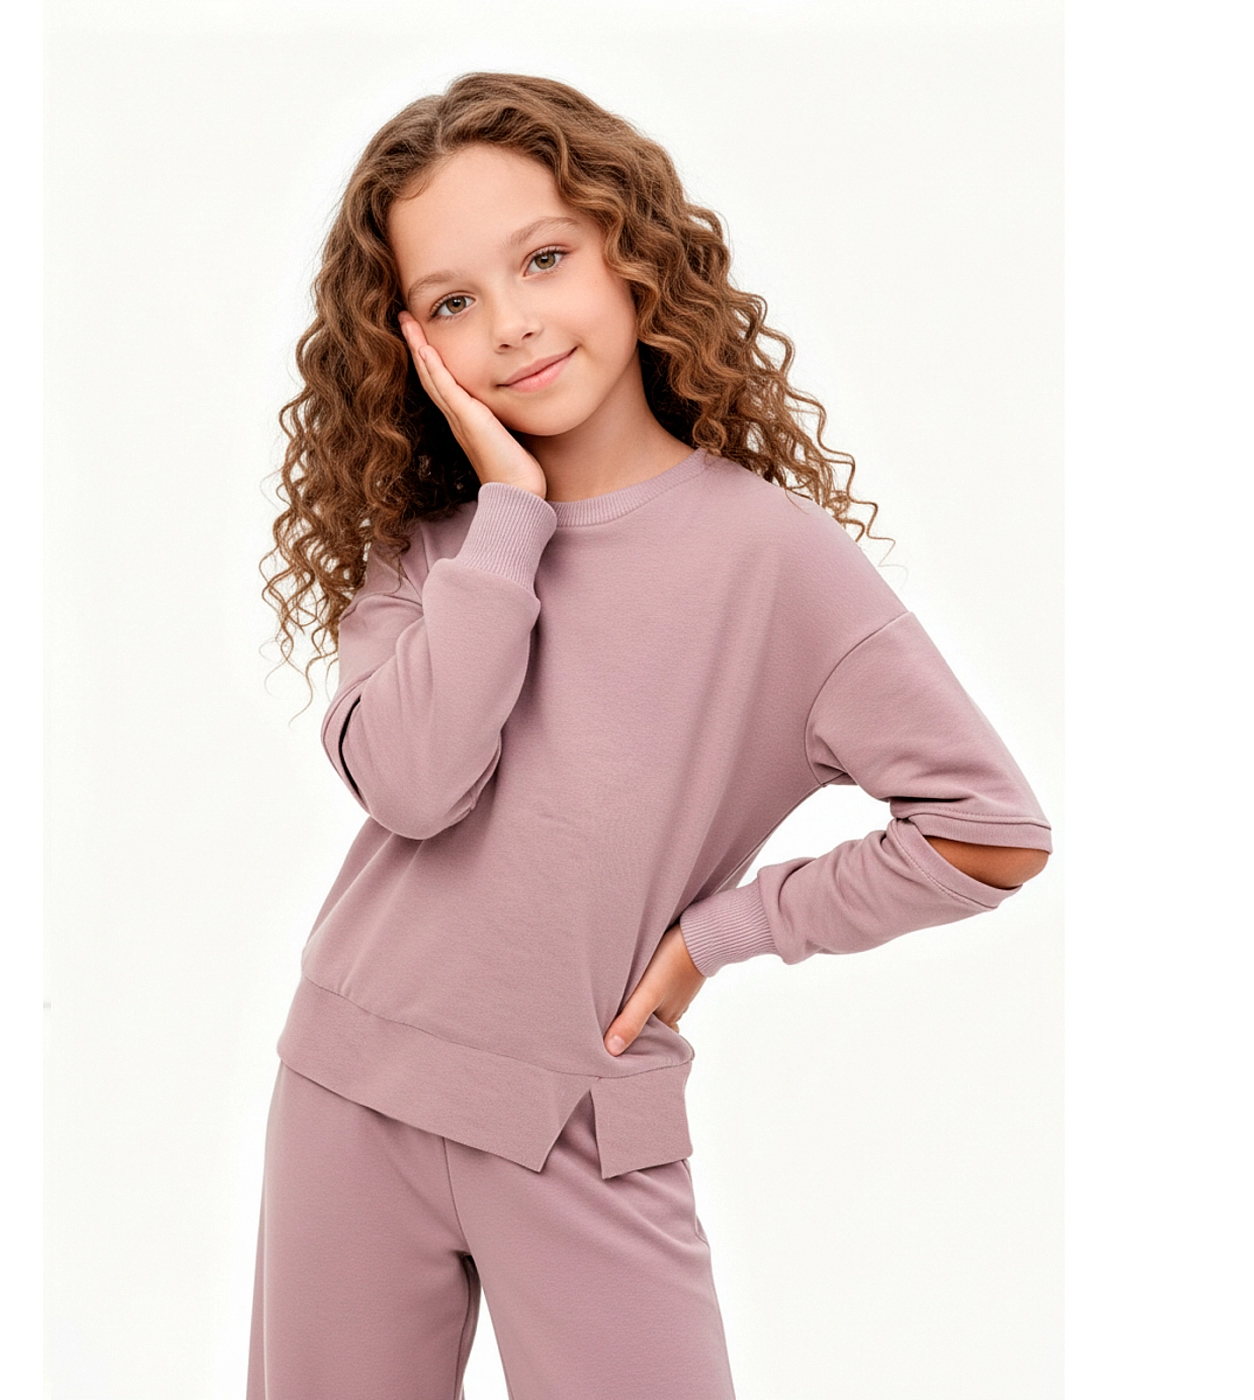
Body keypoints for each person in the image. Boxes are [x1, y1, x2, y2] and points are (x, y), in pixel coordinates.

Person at [248, 71, 1052, 1400]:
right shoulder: (430, 555)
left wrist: (719, 935)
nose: (512, 323)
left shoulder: (772, 562)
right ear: (412, 349)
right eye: (453, 302)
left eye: (543, 259)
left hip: (582, 1118)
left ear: (631, 250)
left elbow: (989, 832)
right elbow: (415, 785)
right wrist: (510, 513)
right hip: (349, 1089)